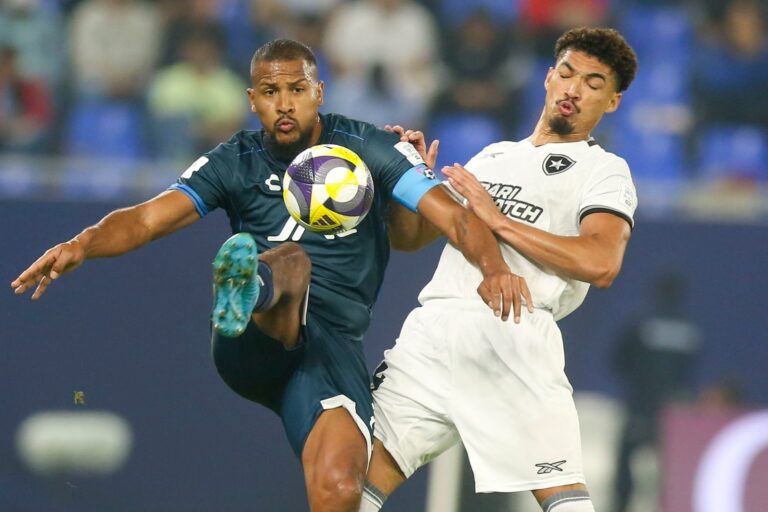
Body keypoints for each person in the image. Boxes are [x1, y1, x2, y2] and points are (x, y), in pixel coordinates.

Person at [10, 39, 529, 512]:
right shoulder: (234, 160)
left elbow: (450, 215)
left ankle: (262, 287)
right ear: (252, 99)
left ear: (318, 91)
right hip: (249, 339)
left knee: (343, 489)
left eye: (297, 89)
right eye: (270, 91)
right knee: (292, 261)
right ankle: (248, 286)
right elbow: (147, 217)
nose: (285, 103)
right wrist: (82, 244)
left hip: (329, 349)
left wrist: (493, 267)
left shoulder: (370, 148)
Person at [360, 27, 639, 512]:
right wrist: (412, 185)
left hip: (514, 335)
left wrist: (497, 219)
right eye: (568, 74)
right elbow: (410, 240)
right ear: (549, 78)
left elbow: (601, 262)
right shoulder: (493, 156)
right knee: (352, 483)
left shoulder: (603, 170)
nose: (574, 90)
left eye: (593, 84)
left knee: (566, 501)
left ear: (611, 102)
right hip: (433, 333)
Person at [611, 271, 701, 512]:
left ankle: (620, 507)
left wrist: (638, 383)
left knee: (626, 461)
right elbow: (689, 372)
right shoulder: (688, 330)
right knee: (671, 465)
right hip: (670, 411)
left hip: (640, 404)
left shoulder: (642, 324)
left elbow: (619, 359)